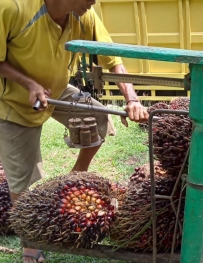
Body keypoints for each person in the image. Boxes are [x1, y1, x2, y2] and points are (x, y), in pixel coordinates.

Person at [0, 0, 148, 262]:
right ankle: (30, 246)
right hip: (14, 102)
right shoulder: (12, 8)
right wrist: (29, 84)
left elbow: (113, 59)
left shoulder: (85, 14)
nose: (93, 1)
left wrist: (132, 99)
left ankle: (75, 175)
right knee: (22, 181)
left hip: (56, 92)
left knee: (99, 116)